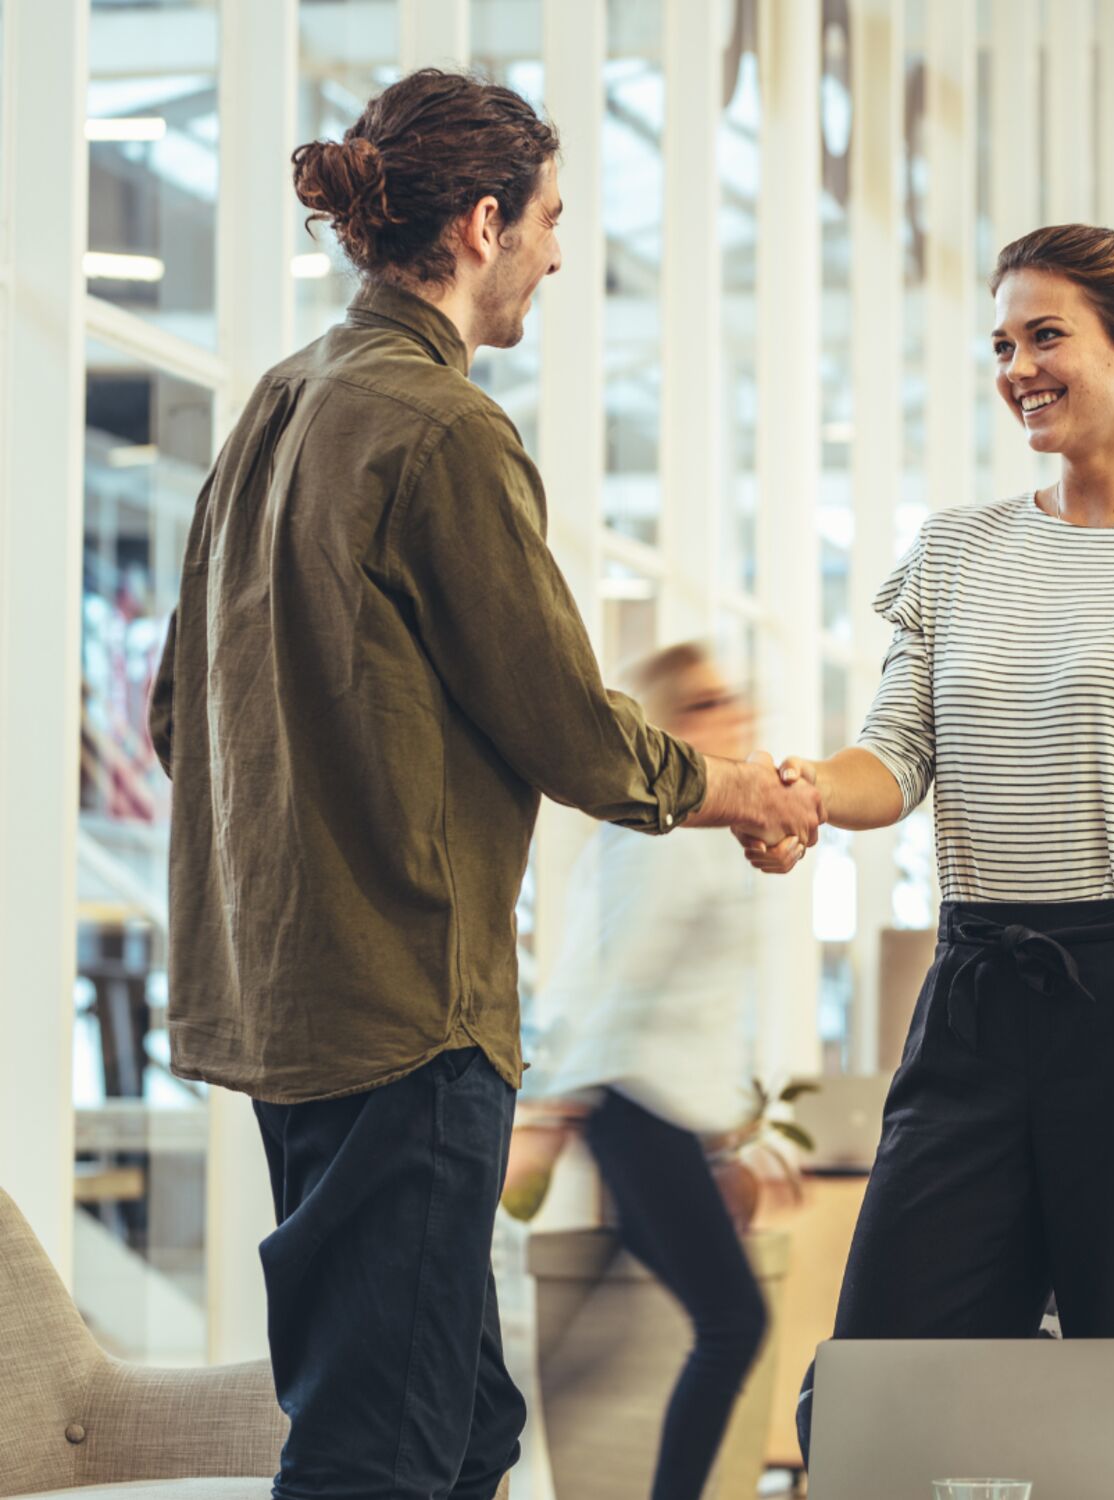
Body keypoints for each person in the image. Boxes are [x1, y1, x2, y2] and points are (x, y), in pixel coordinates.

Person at [147, 71, 821, 1500]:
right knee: (379, 1453)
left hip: (286, 1009)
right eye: (554, 221)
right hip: (409, 1019)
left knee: (466, 1431)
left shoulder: (278, 405)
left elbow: (172, 713)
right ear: (482, 222)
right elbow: (569, 732)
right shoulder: (443, 430)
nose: (565, 255)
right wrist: (743, 790)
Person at [745, 223, 1114, 1499]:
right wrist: (795, 792)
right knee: (880, 1400)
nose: (1016, 367)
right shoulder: (959, 552)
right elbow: (893, 760)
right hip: (973, 1001)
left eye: (1044, 336)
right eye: (1001, 344)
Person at [522, 642, 768, 1500]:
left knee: (614, 1338)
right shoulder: (667, 837)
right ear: (665, 725)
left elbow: (692, 1008)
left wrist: (721, 1151)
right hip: (632, 1106)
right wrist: (550, 1119)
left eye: (729, 695)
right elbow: (610, 978)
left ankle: (496, 1426)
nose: (729, 712)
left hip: (656, 1111)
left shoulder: (703, 835)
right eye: (701, 704)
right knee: (735, 1322)